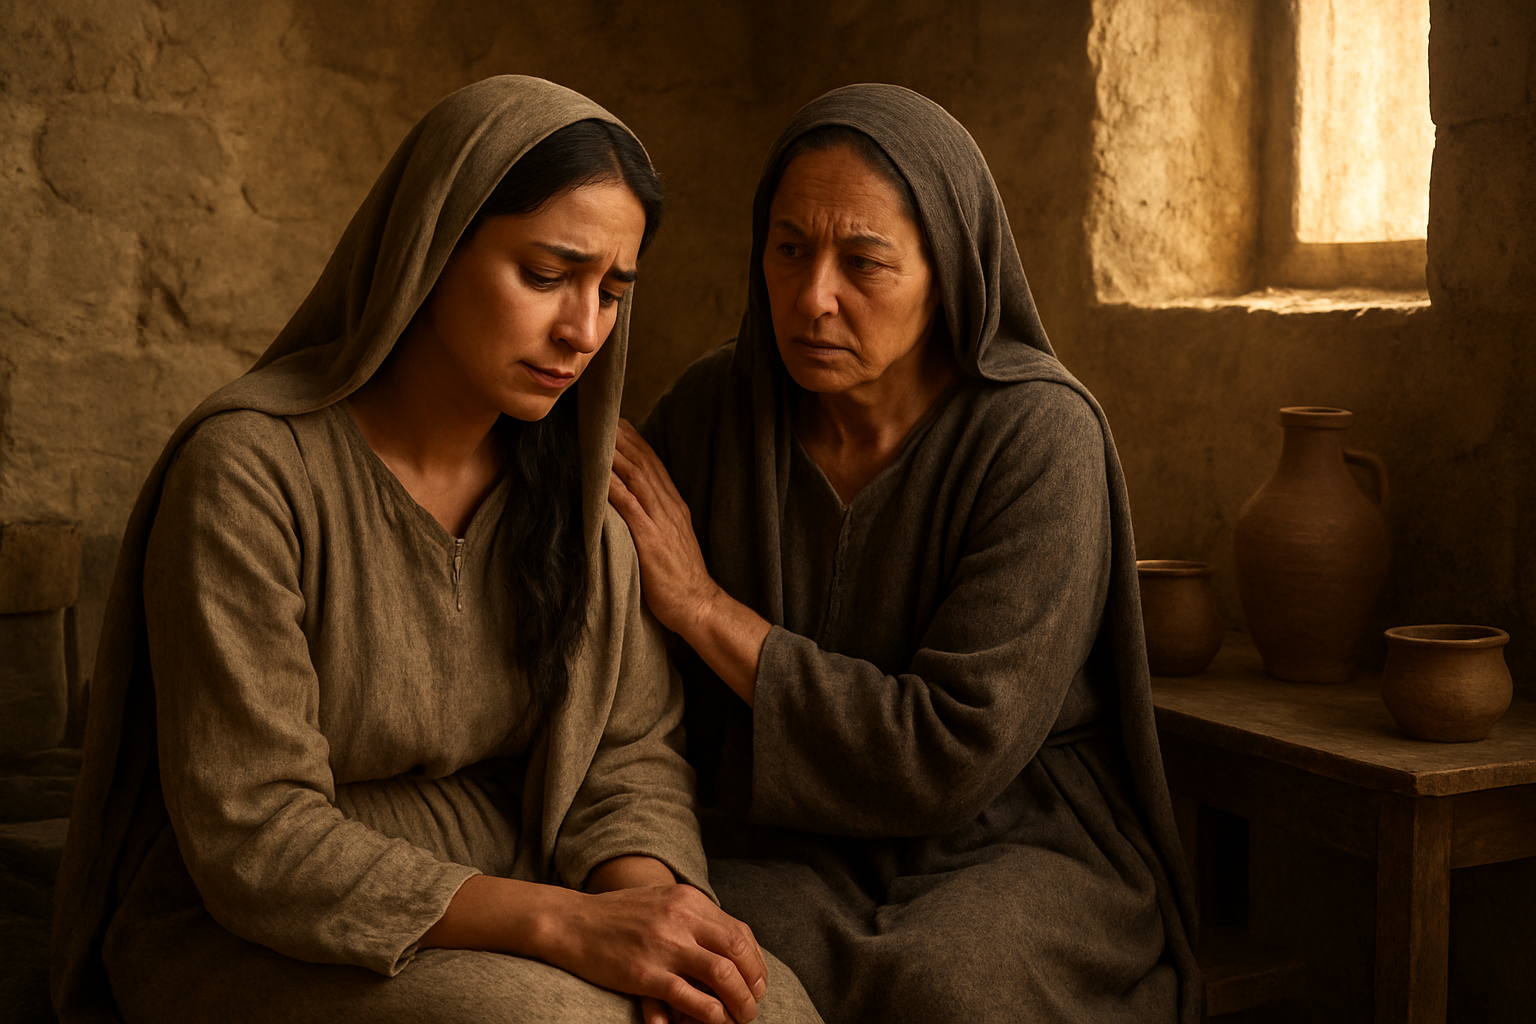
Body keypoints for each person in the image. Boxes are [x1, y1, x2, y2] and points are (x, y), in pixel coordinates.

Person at [50, 75, 821, 1024]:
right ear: (433, 247)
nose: (583, 331)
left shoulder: (580, 498)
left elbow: (628, 760)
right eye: (545, 276)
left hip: (516, 877)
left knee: (759, 1008)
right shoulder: (251, 475)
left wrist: (654, 919)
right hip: (251, 916)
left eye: (612, 292)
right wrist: (566, 928)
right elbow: (257, 834)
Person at [608, 84, 1201, 1023]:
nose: (812, 298)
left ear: (950, 272)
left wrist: (706, 608)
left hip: (1013, 834)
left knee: (951, 986)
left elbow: (953, 749)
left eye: (865, 263)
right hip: (785, 836)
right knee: (716, 968)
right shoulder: (716, 410)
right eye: (789, 249)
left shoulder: (1040, 437)